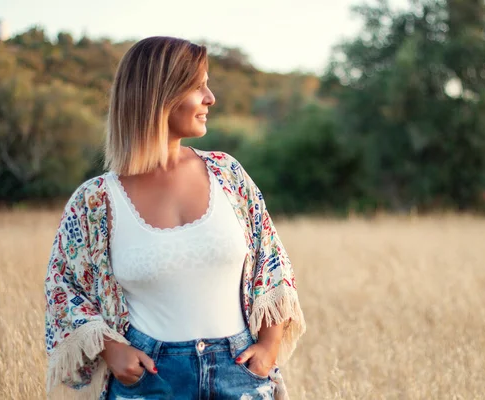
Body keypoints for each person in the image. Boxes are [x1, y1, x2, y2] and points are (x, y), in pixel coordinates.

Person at [43, 36, 306, 400]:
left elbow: (272, 262)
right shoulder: (94, 201)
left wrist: (269, 346)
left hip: (239, 374)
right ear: (160, 95)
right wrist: (110, 348)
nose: (210, 98)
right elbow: (62, 288)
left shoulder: (227, 174)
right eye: (199, 86)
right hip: (149, 381)